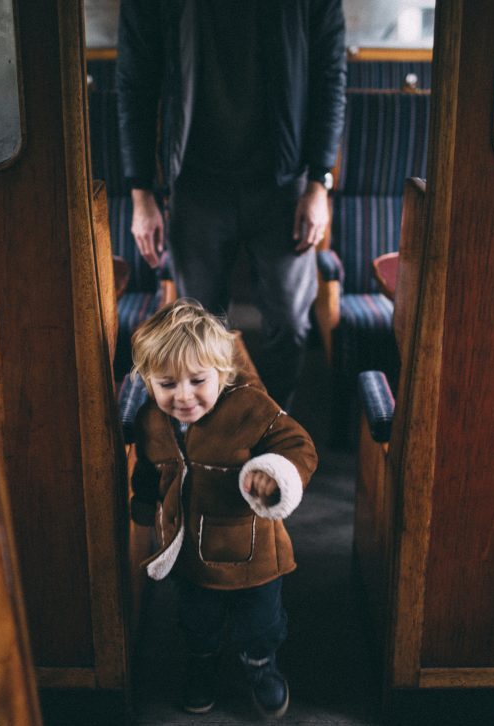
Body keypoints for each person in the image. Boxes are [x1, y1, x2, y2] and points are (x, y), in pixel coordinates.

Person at [116, 0, 346, 408]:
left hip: (285, 181)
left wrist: (319, 184)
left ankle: (272, 426)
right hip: (194, 181)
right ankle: (215, 439)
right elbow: (135, 82)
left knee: (291, 323)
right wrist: (141, 193)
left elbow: (330, 77)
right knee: (200, 329)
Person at [129, 299, 318, 717]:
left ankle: (261, 665)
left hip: (252, 554)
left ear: (223, 374)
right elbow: (150, 468)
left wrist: (275, 473)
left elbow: (298, 446)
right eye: (166, 384)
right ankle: (202, 663)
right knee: (198, 621)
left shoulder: (249, 407)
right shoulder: (151, 421)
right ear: (147, 381)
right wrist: (143, 503)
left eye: (198, 380)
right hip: (191, 551)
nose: (183, 396)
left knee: (261, 625)